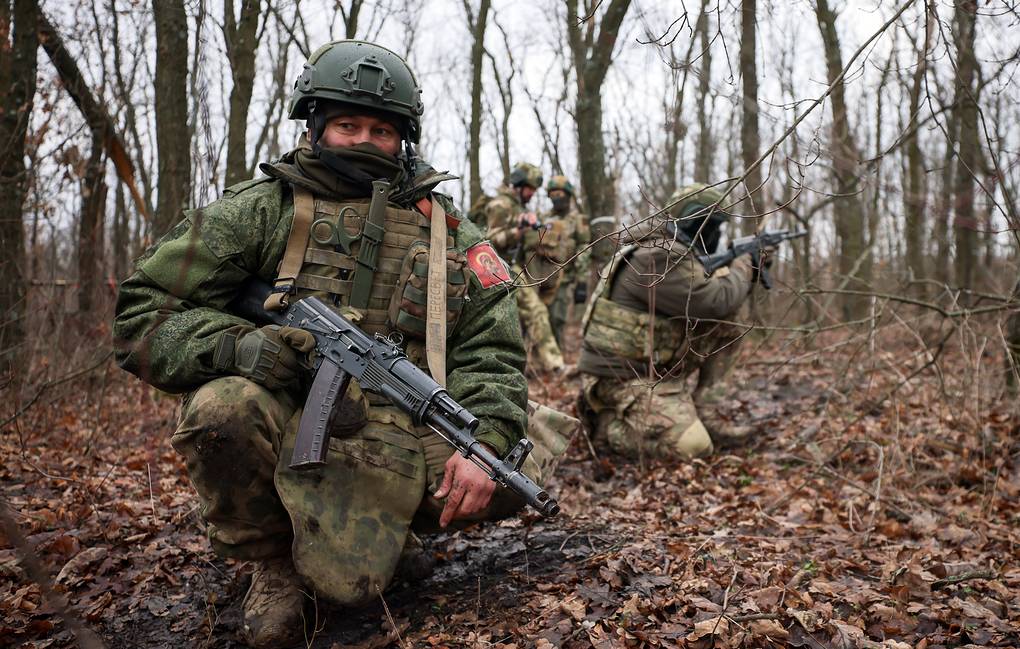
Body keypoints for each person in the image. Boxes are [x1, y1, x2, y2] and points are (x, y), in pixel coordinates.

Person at [114, 40, 543, 648]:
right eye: (347, 125)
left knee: (506, 459)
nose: (365, 141)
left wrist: (488, 443)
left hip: (399, 427)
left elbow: (492, 350)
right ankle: (274, 563)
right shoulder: (261, 212)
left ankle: (392, 532)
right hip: (292, 414)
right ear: (315, 125)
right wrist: (241, 347)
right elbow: (141, 314)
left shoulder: (449, 231)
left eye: (381, 129)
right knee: (222, 410)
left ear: (405, 138)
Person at [577, 183, 758, 461]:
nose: (716, 236)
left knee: (733, 319)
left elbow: (719, 306)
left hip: (650, 369)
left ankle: (704, 407)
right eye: (713, 227)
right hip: (621, 378)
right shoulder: (659, 256)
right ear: (695, 222)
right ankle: (608, 426)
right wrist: (746, 263)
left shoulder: (670, 251)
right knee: (693, 447)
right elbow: (715, 302)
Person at [483, 163, 565, 373]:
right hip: (497, 268)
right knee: (535, 311)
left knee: (525, 317)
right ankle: (554, 365)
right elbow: (489, 240)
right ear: (519, 184)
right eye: (530, 188)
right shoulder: (500, 205)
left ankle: (532, 366)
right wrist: (518, 231)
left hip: (513, 267)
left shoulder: (519, 206)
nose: (532, 193)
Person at [536, 175, 590, 346]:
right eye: (552, 194)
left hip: (564, 278)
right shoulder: (543, 219)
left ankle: (558, 357)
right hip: (542, 277)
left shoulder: (577, 219)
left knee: (557, 318)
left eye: (559, 194)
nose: (556, 198)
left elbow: (584, 247)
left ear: (567, 195)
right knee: (539, 318)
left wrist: (582, 281)